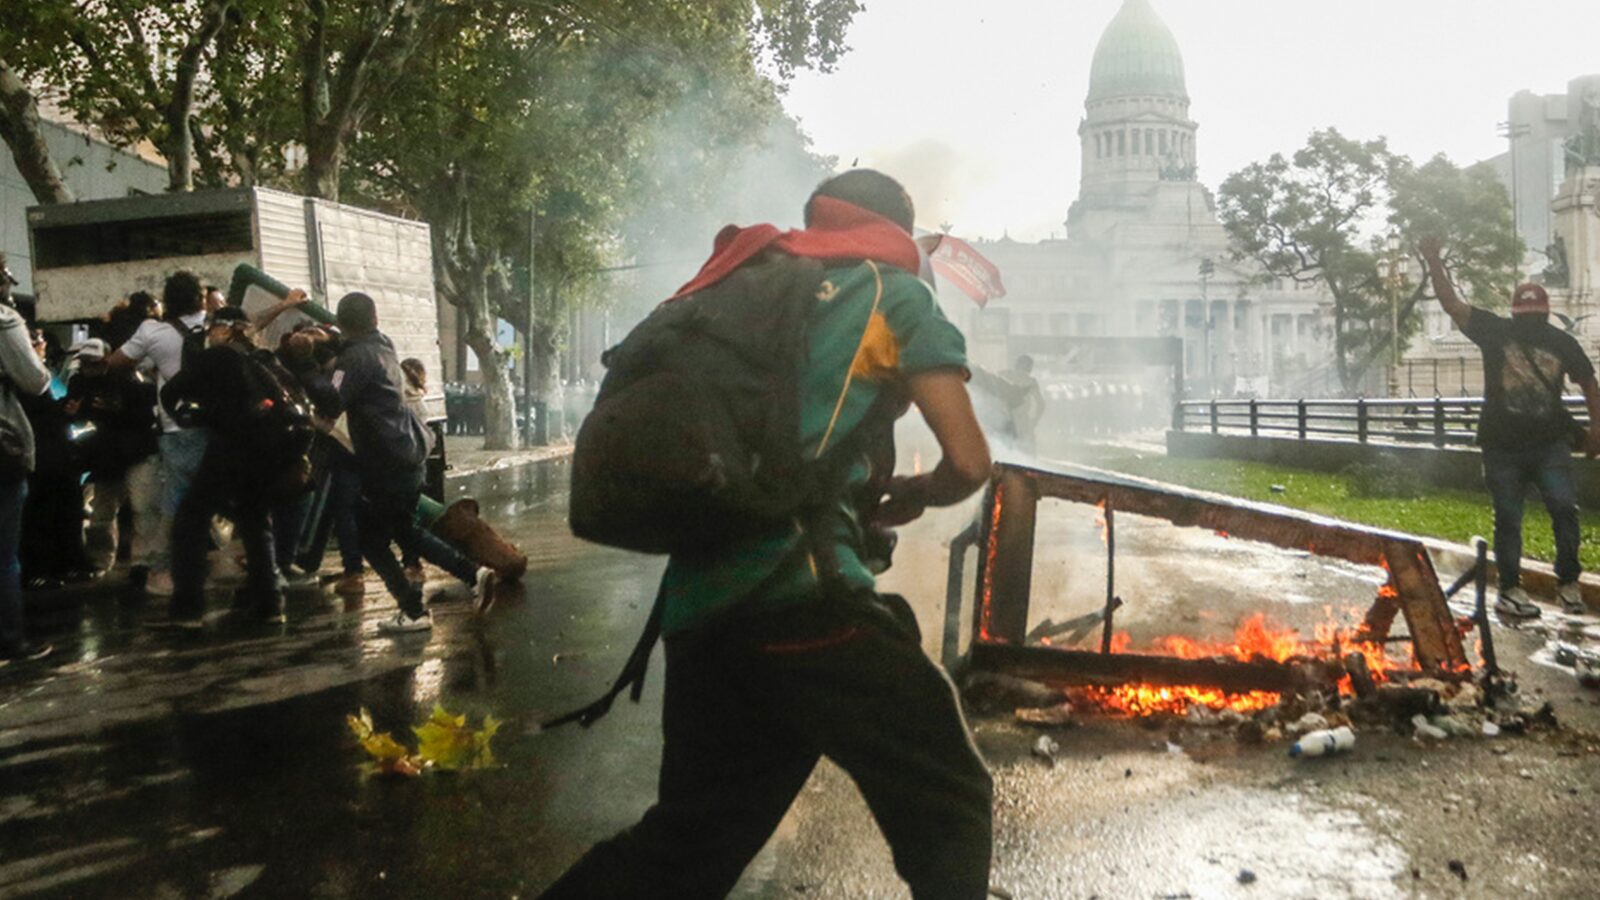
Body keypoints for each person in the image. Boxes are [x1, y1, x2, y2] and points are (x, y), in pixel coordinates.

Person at [540, 170, 994, 899]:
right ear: (897, 230)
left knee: (688, 841)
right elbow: (970, 461)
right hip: (808, 598)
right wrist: (915, 493)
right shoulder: (892, 292)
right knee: (952, 800)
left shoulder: (742, 291)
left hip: (700, 608)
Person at [1422, 236, 1600, 617]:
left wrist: (1434, 259)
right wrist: (1595, 428)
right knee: (1545, 513)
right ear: (1544, 311)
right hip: (1524, 445)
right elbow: (1589, 383)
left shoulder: (1502, 331)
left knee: (1524, 517)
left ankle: (1533, 587)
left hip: (1525, 444)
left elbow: (1452, 305)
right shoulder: (1547, 337)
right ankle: (1547, 586)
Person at [332, 292, 493, 632]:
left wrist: (310, 363)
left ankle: (421, 607)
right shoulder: (383, 346)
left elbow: (332, 396)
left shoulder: (353, 358)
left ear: (341, 324)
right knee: (397, 531)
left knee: (383, 537)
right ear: (374, 320)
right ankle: (464, 580)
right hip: (405, 454)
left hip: (385, 462)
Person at [158, 307, 313, 626]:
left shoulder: (218, 357)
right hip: (270, 450)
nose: (209, 334)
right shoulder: (261, 358)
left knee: (190, 517)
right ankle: (270, 604)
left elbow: (170, 391)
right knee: (256, 520)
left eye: (213, 327)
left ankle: (186, 609)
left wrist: (189, 416)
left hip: (232, 447)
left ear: (224, 330)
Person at [107, 271, 210, 596]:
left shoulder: (153, 332)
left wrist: (151, 370)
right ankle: (258, 567)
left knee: (175, 503)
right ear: (200, 298)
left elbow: (116, 362)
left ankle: (163, 570)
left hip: (177, 425)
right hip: (219, 423)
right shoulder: (215, 325)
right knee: (225, 499)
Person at [65, 339, 160, 574]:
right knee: (102, 513)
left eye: (94, 362)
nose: (90, 368)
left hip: (135, 453)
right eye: (86, 362)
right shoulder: (80, 383)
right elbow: (78, 415)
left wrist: (119, 410)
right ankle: (101, 561)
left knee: (142, 507)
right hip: (109, 457)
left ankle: (144, 562)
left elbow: (146, 413)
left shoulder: (128, 381)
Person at [0, 254, 54, 662]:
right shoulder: (4, 321)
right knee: (4, 554)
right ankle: (9, 638)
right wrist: (35, 354)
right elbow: (34, 382)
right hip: (3, 449)